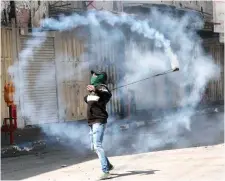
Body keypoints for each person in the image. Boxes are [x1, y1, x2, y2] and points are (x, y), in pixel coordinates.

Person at [84, 70, 114, 180]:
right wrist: (90, 93)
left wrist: (95, 89)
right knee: (94, 147)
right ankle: (109, 165)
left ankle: (105, 170)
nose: (92, 76)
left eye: (95, 75)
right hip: (92, 122)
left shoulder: (102, 87)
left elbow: (107, 94)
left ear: (100, 77)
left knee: (97, 146)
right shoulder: (95, 90)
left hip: (98, 121)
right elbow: (88, 100)